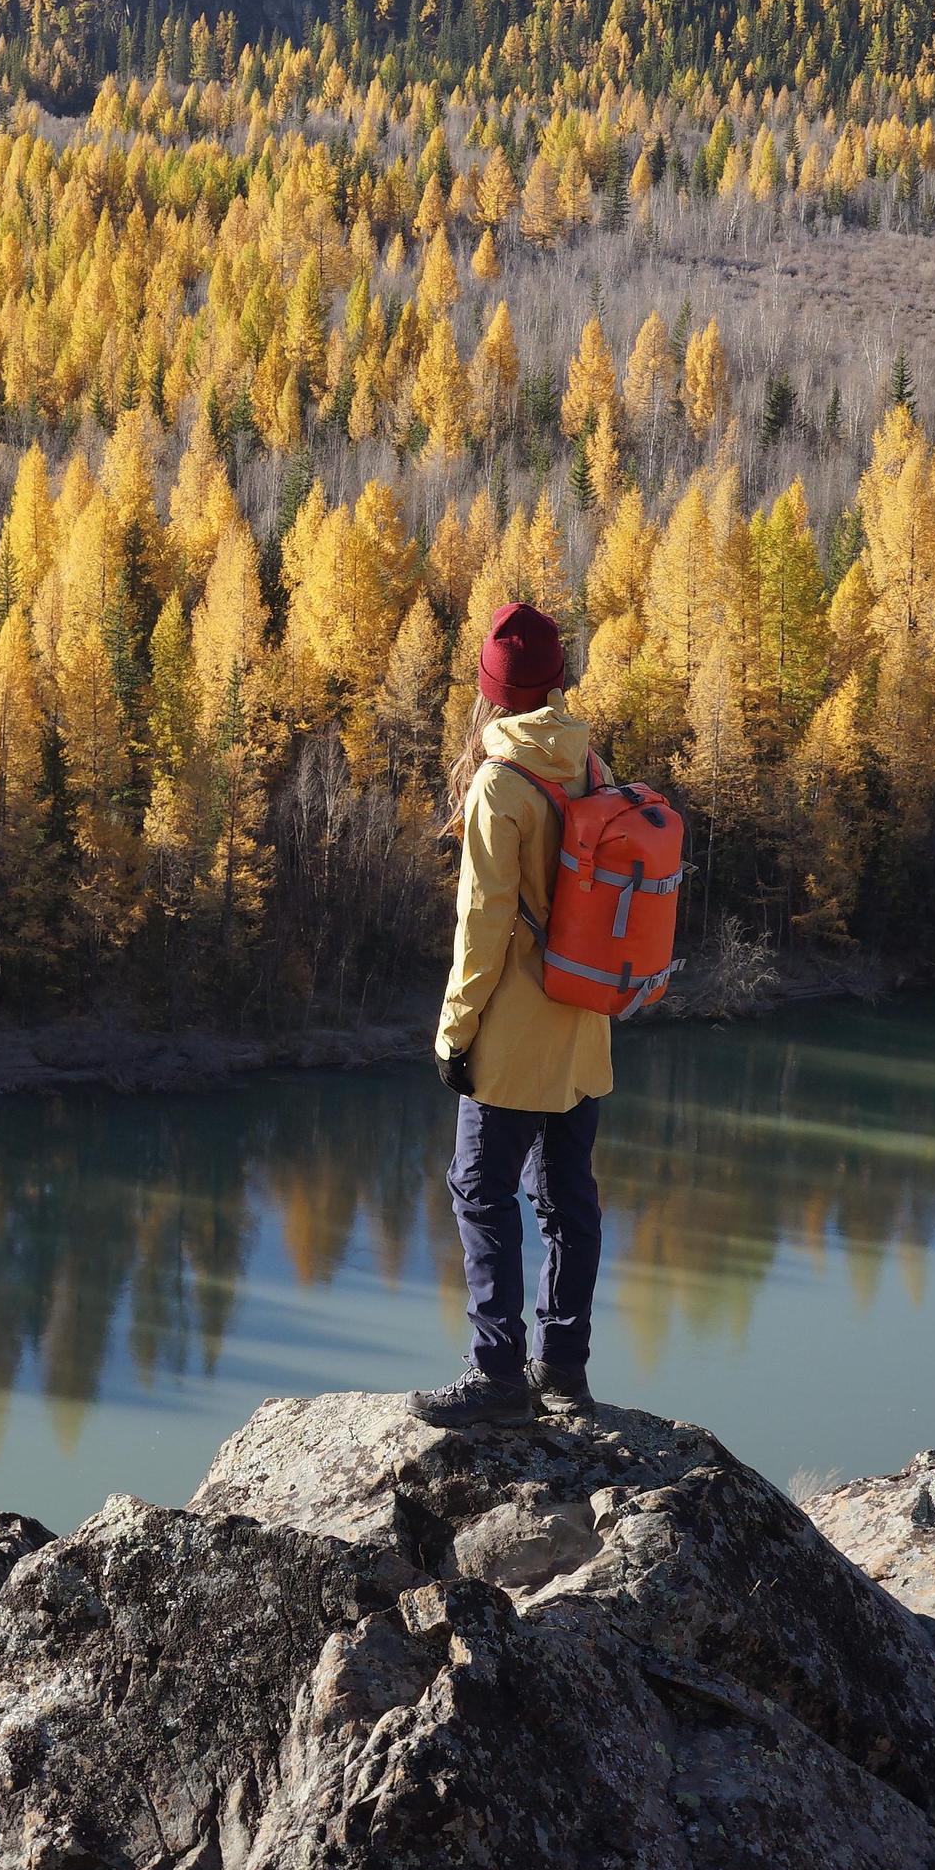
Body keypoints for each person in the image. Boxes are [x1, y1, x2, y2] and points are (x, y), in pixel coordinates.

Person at [415, 598, 610, 1428]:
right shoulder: (587, 762)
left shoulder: (501, 782)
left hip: (518, 1033)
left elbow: (483, 925)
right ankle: (562, 1369)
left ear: (492, 693)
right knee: (568, 1198)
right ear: (556, 681)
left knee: (480, 1191)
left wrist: (455, 1031)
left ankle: (496, 1372)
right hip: (586, 1025)